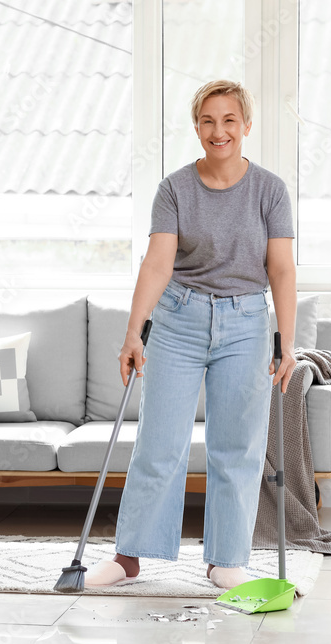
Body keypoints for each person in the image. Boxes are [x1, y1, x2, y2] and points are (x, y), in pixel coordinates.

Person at [84, 80, 297, 591]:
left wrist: (286, 343)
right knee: (159, 443)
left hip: (246, 323)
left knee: (237, 448)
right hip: (179, 320)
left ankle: (226, 558)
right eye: (207, 120)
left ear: (246, 127)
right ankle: (131, 555)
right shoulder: (175, 188)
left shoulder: (269, 190)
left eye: (228, 121)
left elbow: (282, 270)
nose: (217, 131)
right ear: (196, 127)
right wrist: (133, 331)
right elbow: (158, 263)